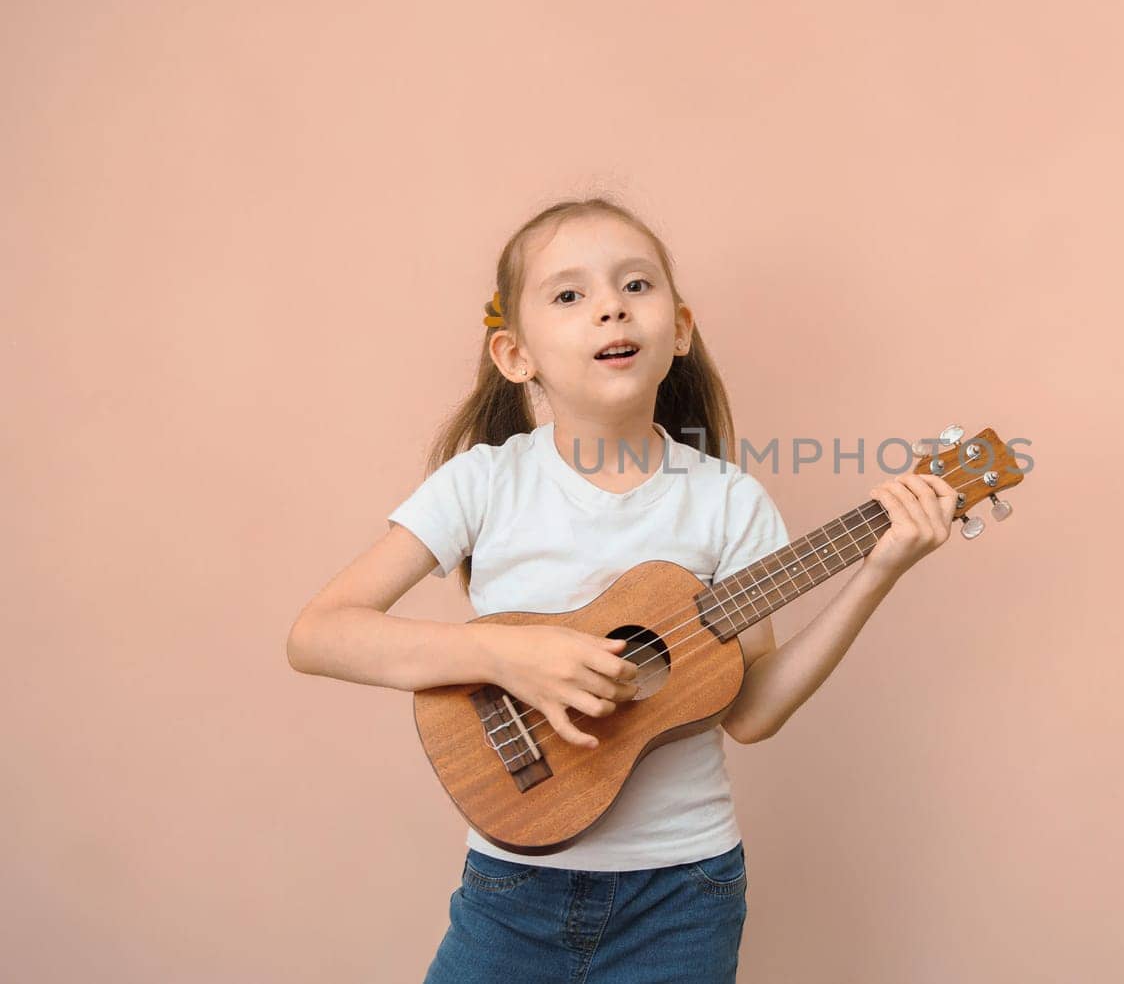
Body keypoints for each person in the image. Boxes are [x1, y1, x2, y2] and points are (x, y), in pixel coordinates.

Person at [286, 196, 959, 982]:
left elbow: (751, 712)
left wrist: (877, 571)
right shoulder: (484, 483)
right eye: (570, 295)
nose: (610, 306)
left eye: (636, 285)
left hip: (686, 893)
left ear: (678, 330)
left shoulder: (725, 499)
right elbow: (318, 634)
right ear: (515, 355)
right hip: (511, 886)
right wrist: (504, 656)